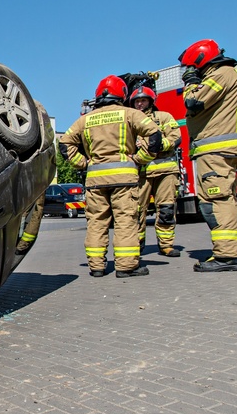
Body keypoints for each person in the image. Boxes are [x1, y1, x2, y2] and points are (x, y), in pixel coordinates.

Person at [59, 75, 161, 278]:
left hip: (95, 180)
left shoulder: (85, 119)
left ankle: (96, 266)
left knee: (96, 221)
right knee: (125, 220)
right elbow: (154, 135)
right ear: (121, 94)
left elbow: (64, 143)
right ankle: (126, 266)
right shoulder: (130, 114)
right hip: (124, 178)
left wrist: (83, 163)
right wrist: (140, 158)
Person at [179, 39, 237, 272]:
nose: (192, 72)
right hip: (226, 148)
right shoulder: (233, 75)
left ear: (201, 61)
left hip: (215, 149)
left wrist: (191, 84)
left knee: (215, 200)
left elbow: (194, 101)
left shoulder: (219, 75)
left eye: (193, 68)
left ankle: (227, 256)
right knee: (228, 200)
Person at [129, 86, 182, 257]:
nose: (140, 104)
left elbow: (175, 137)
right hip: (140, 173)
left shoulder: (164, 117)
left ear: (151, 101)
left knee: (166, 209)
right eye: (137, 101)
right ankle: (137, 245)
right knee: (136, 211)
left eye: (143, 100)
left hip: (165, 171)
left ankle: (166, 245)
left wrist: (157, 145)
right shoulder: (130, 121)